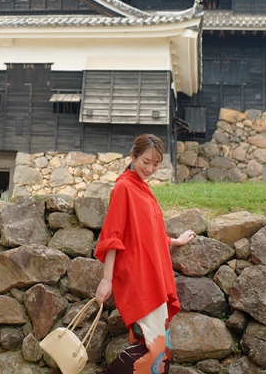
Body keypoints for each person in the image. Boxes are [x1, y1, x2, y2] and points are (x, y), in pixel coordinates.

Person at [94, 134, 196, 374]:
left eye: (156, 164)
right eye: (146, 161)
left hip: (153, 276)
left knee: (157, 349)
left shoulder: (142, 188)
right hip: (139, 279)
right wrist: (106, 280)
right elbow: (113, 236)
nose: (150, 168)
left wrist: (174, 241)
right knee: (158, 352)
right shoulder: (123, 187)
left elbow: (148, 233)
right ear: (133, 156)